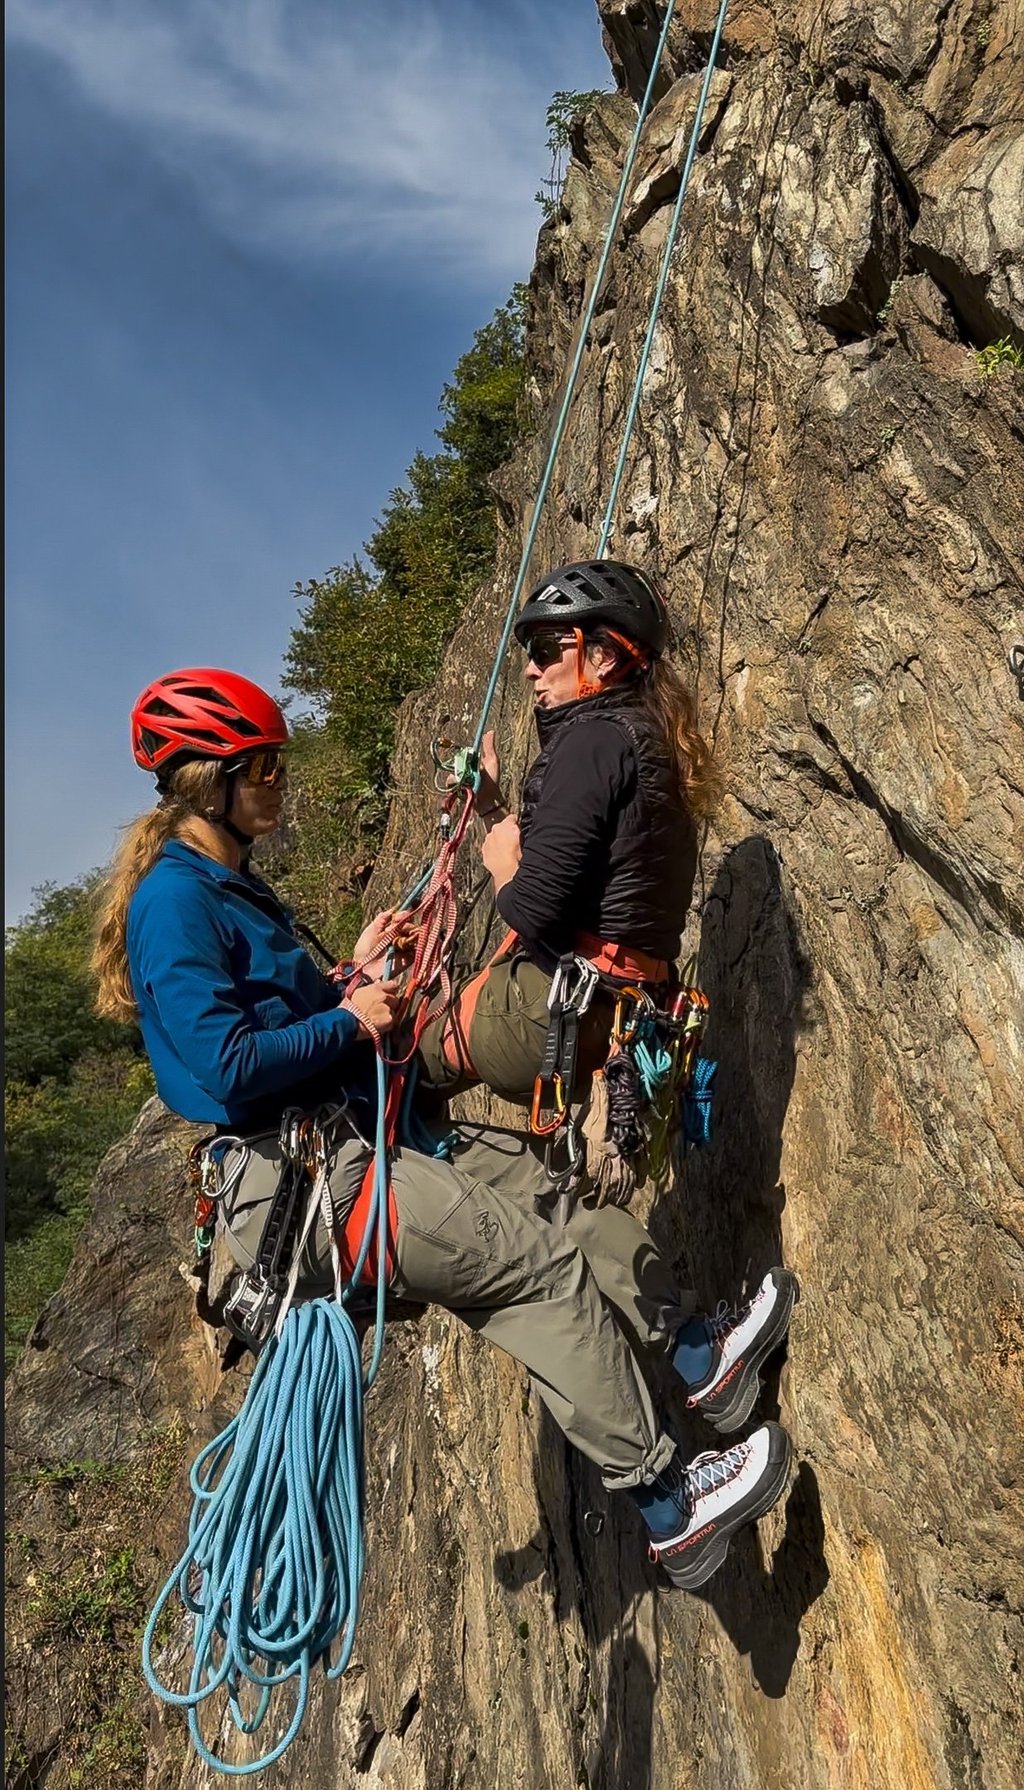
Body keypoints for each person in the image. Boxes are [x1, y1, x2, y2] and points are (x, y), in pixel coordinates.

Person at [93, 665, 798, 1590]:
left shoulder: (232, 888)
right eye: (262, 768)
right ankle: (673, 1505)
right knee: (532, 1268)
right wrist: (350, 1019)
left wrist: (349, 975)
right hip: (313, 1186)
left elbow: (269, 1027)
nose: (278, 783)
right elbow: (224, 1065)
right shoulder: (174, 903)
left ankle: (699, 1355)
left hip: (363, 1137)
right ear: (208, 781)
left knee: (551, 1200)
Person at [418, 560, 717, 1108]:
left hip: (551, 1011)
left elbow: (533, 908)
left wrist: (502, 864)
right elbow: (581, 866)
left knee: (402, 1064)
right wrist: (492, 809)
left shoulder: (592, 742)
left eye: (545, 650)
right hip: (620, 1013)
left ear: (601, 657)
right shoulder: (646, 739)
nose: (531, 670)